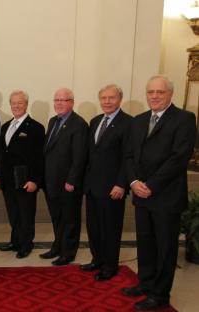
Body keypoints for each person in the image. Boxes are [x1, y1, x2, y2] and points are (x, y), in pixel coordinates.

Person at [122, 76, 196, 310]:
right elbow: (129, 155)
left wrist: (150, 185)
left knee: (165, 247)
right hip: (140, 193)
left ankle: (160, 294)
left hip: (166, 196)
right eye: (150, 91)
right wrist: (134, 181)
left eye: (160, 92)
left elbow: (179, 158)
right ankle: (145, 283)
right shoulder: (138, 120)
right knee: (145, 242)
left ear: (170, 94)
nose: (154, 96)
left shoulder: (184, 119)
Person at [81, 84, 132, 281]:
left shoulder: (129, 123)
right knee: (94, 227)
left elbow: (128, 157)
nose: (107, 102)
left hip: (113, 188)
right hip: (93, 187)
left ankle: (110, 266)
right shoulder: (95, 121)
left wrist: (121, 184)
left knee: (110, 228)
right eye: (103, 98)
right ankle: (97, 259)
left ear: (120, 99)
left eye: (111, 98)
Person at [40, 88, 88, 265]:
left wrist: (72, 180)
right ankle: (57, 247)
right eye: (57, 100)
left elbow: (80, 157)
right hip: (51, 181)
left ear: (72, 102)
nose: (59, 103)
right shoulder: (53, 121)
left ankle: (68, 253)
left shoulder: (79, 124)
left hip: (67, 183)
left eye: (64, 100)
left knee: (70, 220)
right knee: (57, 218)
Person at [0, 91, 45, 259]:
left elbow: (38, 157)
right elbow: (3, 154)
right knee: (14, 213)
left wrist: (34, 180)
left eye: (20, 103)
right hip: (8, 180)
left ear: (26, 104)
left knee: (26, 214)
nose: (16, 106)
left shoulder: (36, 127)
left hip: (26, 180)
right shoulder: (5, 126)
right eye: (13, 103)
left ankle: (26, 244)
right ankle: (15, 241)